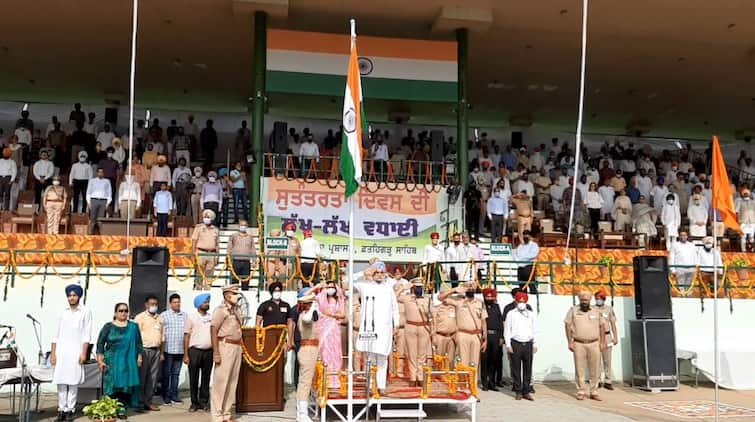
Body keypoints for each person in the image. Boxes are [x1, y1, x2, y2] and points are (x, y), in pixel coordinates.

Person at [354, 261, 400, 395]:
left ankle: (381, 386)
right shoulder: (365, 286)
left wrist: (396, 323)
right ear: (372, 274)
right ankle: (370, 386)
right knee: (370, 358)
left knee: (383, 358)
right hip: (370, 329)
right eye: (376, 273)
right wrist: (364, 272)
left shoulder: (389, 288)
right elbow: (347, 282)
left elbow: (394, 308)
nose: (379, 275)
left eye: (381, 273)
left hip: (385, 329)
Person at [51, 284, 92, 421]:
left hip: (76, 351)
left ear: (79, 296)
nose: (71, 298)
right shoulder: (62, 311)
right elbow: (55, 334)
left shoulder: (85, 311)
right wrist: (53, 353)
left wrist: (83, 353)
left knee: (73, 382)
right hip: (61, 351)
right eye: (69, 295)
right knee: (61, 381)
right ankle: (61, 410)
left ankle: (70, 410)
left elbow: (87, 334)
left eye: (74, 295)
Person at [96, 303, 143, 412]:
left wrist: (139, 357)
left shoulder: (133, 327)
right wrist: (100, 360)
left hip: (128, 361)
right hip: (111, 361)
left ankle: (121, 410)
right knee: (111, 386)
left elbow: (138, 344)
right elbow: (100, 344)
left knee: (125, 387)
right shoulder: (108, 327)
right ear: (115, 313)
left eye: (126, 311)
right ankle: (109, 410)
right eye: (121, 311)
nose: (123, 313)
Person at [439, 280, 487, 384]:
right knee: (463, 362)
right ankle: (463, 385)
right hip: (463, 334)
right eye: (468, 286)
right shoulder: (458, 300)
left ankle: (472, 387)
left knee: (474, 362)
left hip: (476, 335)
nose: (470, 288)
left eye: (472, 286)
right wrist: (455, 290)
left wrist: (485, 339)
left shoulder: (480, 302)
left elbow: (483, 321)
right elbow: (441, 298)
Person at [564, 290, 606, 401]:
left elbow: (602, 326)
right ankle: (581, 391)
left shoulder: (596, 311)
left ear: (590, 300)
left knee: (595, 369)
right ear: (579, 300)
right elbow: (567, 326)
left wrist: (602, 342)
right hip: (579, 343)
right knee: (579, 369)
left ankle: (594, 391)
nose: (584, 302)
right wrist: (569, 341)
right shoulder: (573, 311)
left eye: (586, 300)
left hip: (594, 343)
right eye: (582, 300)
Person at [210, 285, 243, 422]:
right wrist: (216, 352)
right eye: (234, 293)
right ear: (227, 295)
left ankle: (226, 413)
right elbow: (213, 330)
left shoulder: (237, 310)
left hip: (236, 346)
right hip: (225, 345)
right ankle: (217, 415)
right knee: (221, 381)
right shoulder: (220, 311)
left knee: (232, 381)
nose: (237, 296)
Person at [397, 278, 431, 387]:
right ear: (413, 288)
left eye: (420, 287)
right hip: (410, 326)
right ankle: (412, 376)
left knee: (422, 354)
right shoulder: (407, 298)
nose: (419, 289)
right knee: (411, 353)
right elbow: (392, 297)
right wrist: (403, 288)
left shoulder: (427, 299)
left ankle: (420, 376)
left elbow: (432, 314)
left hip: (423, 326)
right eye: (417, 287)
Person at [505, 291, 536, 401]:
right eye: (519, 301)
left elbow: (534, 329)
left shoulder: (531, 314)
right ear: (516, 301)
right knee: (516, 368)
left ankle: (526, 391)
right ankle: (518, 391)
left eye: (523, 301)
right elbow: (507, 330)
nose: (521, 303)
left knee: (528, 368)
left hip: (528, 343)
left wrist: (535, 343)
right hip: (515, 343)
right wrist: (508, 345)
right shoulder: (511, 313)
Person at [184, 293, 213, 412]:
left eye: (207, 302)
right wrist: (186, 354)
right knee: (194, 378)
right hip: (194, 351)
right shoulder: (191, 317)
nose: (207, 304)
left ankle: (204, 402)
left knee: (206, 378)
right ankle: (194, 403)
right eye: (205, 302)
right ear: (198, 304)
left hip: (209, 351)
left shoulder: (211, 317)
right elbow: (186, 336)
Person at [134, 295, 163, 411]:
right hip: (144, 351)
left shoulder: (160, 318)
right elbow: (136, 337)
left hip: (156, 351)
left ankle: (148, 402)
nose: (154, 306)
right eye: (151, 304)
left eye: (155, 304)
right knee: (142, 377)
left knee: (153, 378)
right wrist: (138, 354)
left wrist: (161, 353)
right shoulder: (140, 317)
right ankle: (139, 403)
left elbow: (162, 337)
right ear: (146, 305)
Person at [313, 279, 345, 384]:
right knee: (324, 351)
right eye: (328, 287)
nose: (330, 289)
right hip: (323, 328)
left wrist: (332, 315)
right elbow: (304, 296)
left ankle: (334, 378)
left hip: (334, 328)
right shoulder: (321, 298)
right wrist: (317, 286)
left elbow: (343, 314)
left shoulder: (339, 300)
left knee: (335, 351)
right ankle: (324, 379)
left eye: (332, 287)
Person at [295, 290, 319, 422]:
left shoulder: (310, 314)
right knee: (305, 382)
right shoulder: (304, 315)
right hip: (308, 349)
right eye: (310, 303)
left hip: (313, 348)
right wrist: (313, 306)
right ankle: (302, 414)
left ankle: (303, 411)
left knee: (307, 382)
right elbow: (307, 318)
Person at [160, 294, 186, 405]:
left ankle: (174, 395)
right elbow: (161, 333)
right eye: (175, 302)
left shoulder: (185, 316)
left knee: (176, 374)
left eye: (178, 302)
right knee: (166, 374)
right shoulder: (164, 315)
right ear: (170, 303)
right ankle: (165, 395)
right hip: (168, 350)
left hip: (180, 350)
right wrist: (161, 351)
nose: (177, 304)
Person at [255, 282, 296, 351]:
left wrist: (290, 340)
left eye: (279, 291)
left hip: (282, 336)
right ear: (271, 292)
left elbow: (290, 323)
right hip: (268, 336)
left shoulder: (286, 305)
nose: (277, 293)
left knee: (282, 358)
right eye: (275, 291)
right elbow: (258, 322)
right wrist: (259, 338)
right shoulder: (264, 305)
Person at [593, 290, 618, 390]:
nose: (598, 300)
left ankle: (608, 381)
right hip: (596, 336)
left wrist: (615, 337)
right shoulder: (592, 309)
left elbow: (613, 324)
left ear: (603, 299)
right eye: (596, 299)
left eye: (599, 299)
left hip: (607, 337)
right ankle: (597, 380)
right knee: (596, 360)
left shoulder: (609, 309)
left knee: (607, 360)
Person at [481, 288, 503, 391]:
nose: (489, 298)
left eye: (491, 296)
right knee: (484, 360)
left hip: (495, 336)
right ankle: (484, 383)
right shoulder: (481, 306)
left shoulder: (497, 307)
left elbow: (500, 322)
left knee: (494, 360)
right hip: (485, 336)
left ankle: (492, 383)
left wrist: (501, 337)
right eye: (487, 296)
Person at [432, 285, 457, 370]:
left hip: (452, 336)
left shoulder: (454, 307)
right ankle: (438, 379)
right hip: (440, 336)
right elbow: (433, 323)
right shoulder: (437, 308)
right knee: (439, 359)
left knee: (451, 360)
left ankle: (449, 379)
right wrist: (434, 336)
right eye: (444, 295)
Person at [228, 220, 256, 290]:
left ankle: (245, 293)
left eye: (244, 225)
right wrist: (228, 259)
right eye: (241, 225)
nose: (243, 227)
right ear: (239, 226)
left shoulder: (250, 237)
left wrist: (254, 260)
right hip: (236, 261)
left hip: (246, 261)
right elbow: (229, 248)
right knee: (234, 281)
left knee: (245, 281)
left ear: (247, 227)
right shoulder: (233, 236)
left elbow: (252, 249)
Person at [86, 168, 112, 234]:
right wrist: (89, 202)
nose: (100, 173)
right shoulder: (92, 181)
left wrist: (108, 203)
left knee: (101, 219)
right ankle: (90, 234)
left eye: (102, 172)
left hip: (103, 201)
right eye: (99, 172)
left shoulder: (107, 181)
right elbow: (88, 192)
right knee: (92, 219)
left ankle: (102, 234)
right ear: (97, 173)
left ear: (103, 173)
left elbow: (109, 193)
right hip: (94, 200)